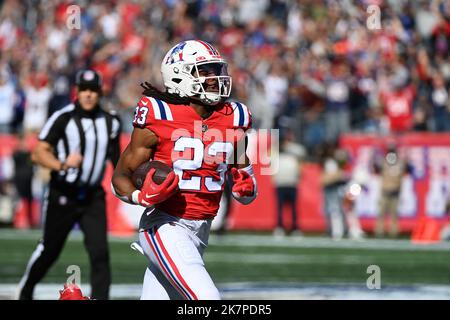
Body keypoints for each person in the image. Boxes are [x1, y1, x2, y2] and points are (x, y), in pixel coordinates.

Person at [111, 40, 257, 300]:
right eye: (205, 71)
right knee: (207, 300)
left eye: (216, 70)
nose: (214, 78)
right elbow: (121, 176)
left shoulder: (234, 116)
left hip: (202, 229)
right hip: (166, 225)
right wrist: (140, 197)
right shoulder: (159, 113)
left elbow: (244, 181)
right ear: (179, 74)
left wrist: (247, 186)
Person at [17, 69, 121, 300]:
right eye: (84, 90)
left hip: (93, 195)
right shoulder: (63, 118)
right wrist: (63, 164)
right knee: (49, 250)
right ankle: (25, 290)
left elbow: (118, 163)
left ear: (99, 92)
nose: (88, 95)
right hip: (63, 193)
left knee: (100, 253)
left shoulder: (110, 122)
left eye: (93, 90)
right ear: (77, 91)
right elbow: (37, 154)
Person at [272, 130, 305, 237]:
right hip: (280, 182)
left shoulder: (296, 149)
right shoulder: (276, 150)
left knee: (293, 208)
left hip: (291, 182)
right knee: (280, 207)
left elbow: (301, 158)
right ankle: (279, 226)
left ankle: (295, 227)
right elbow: (268, 155)